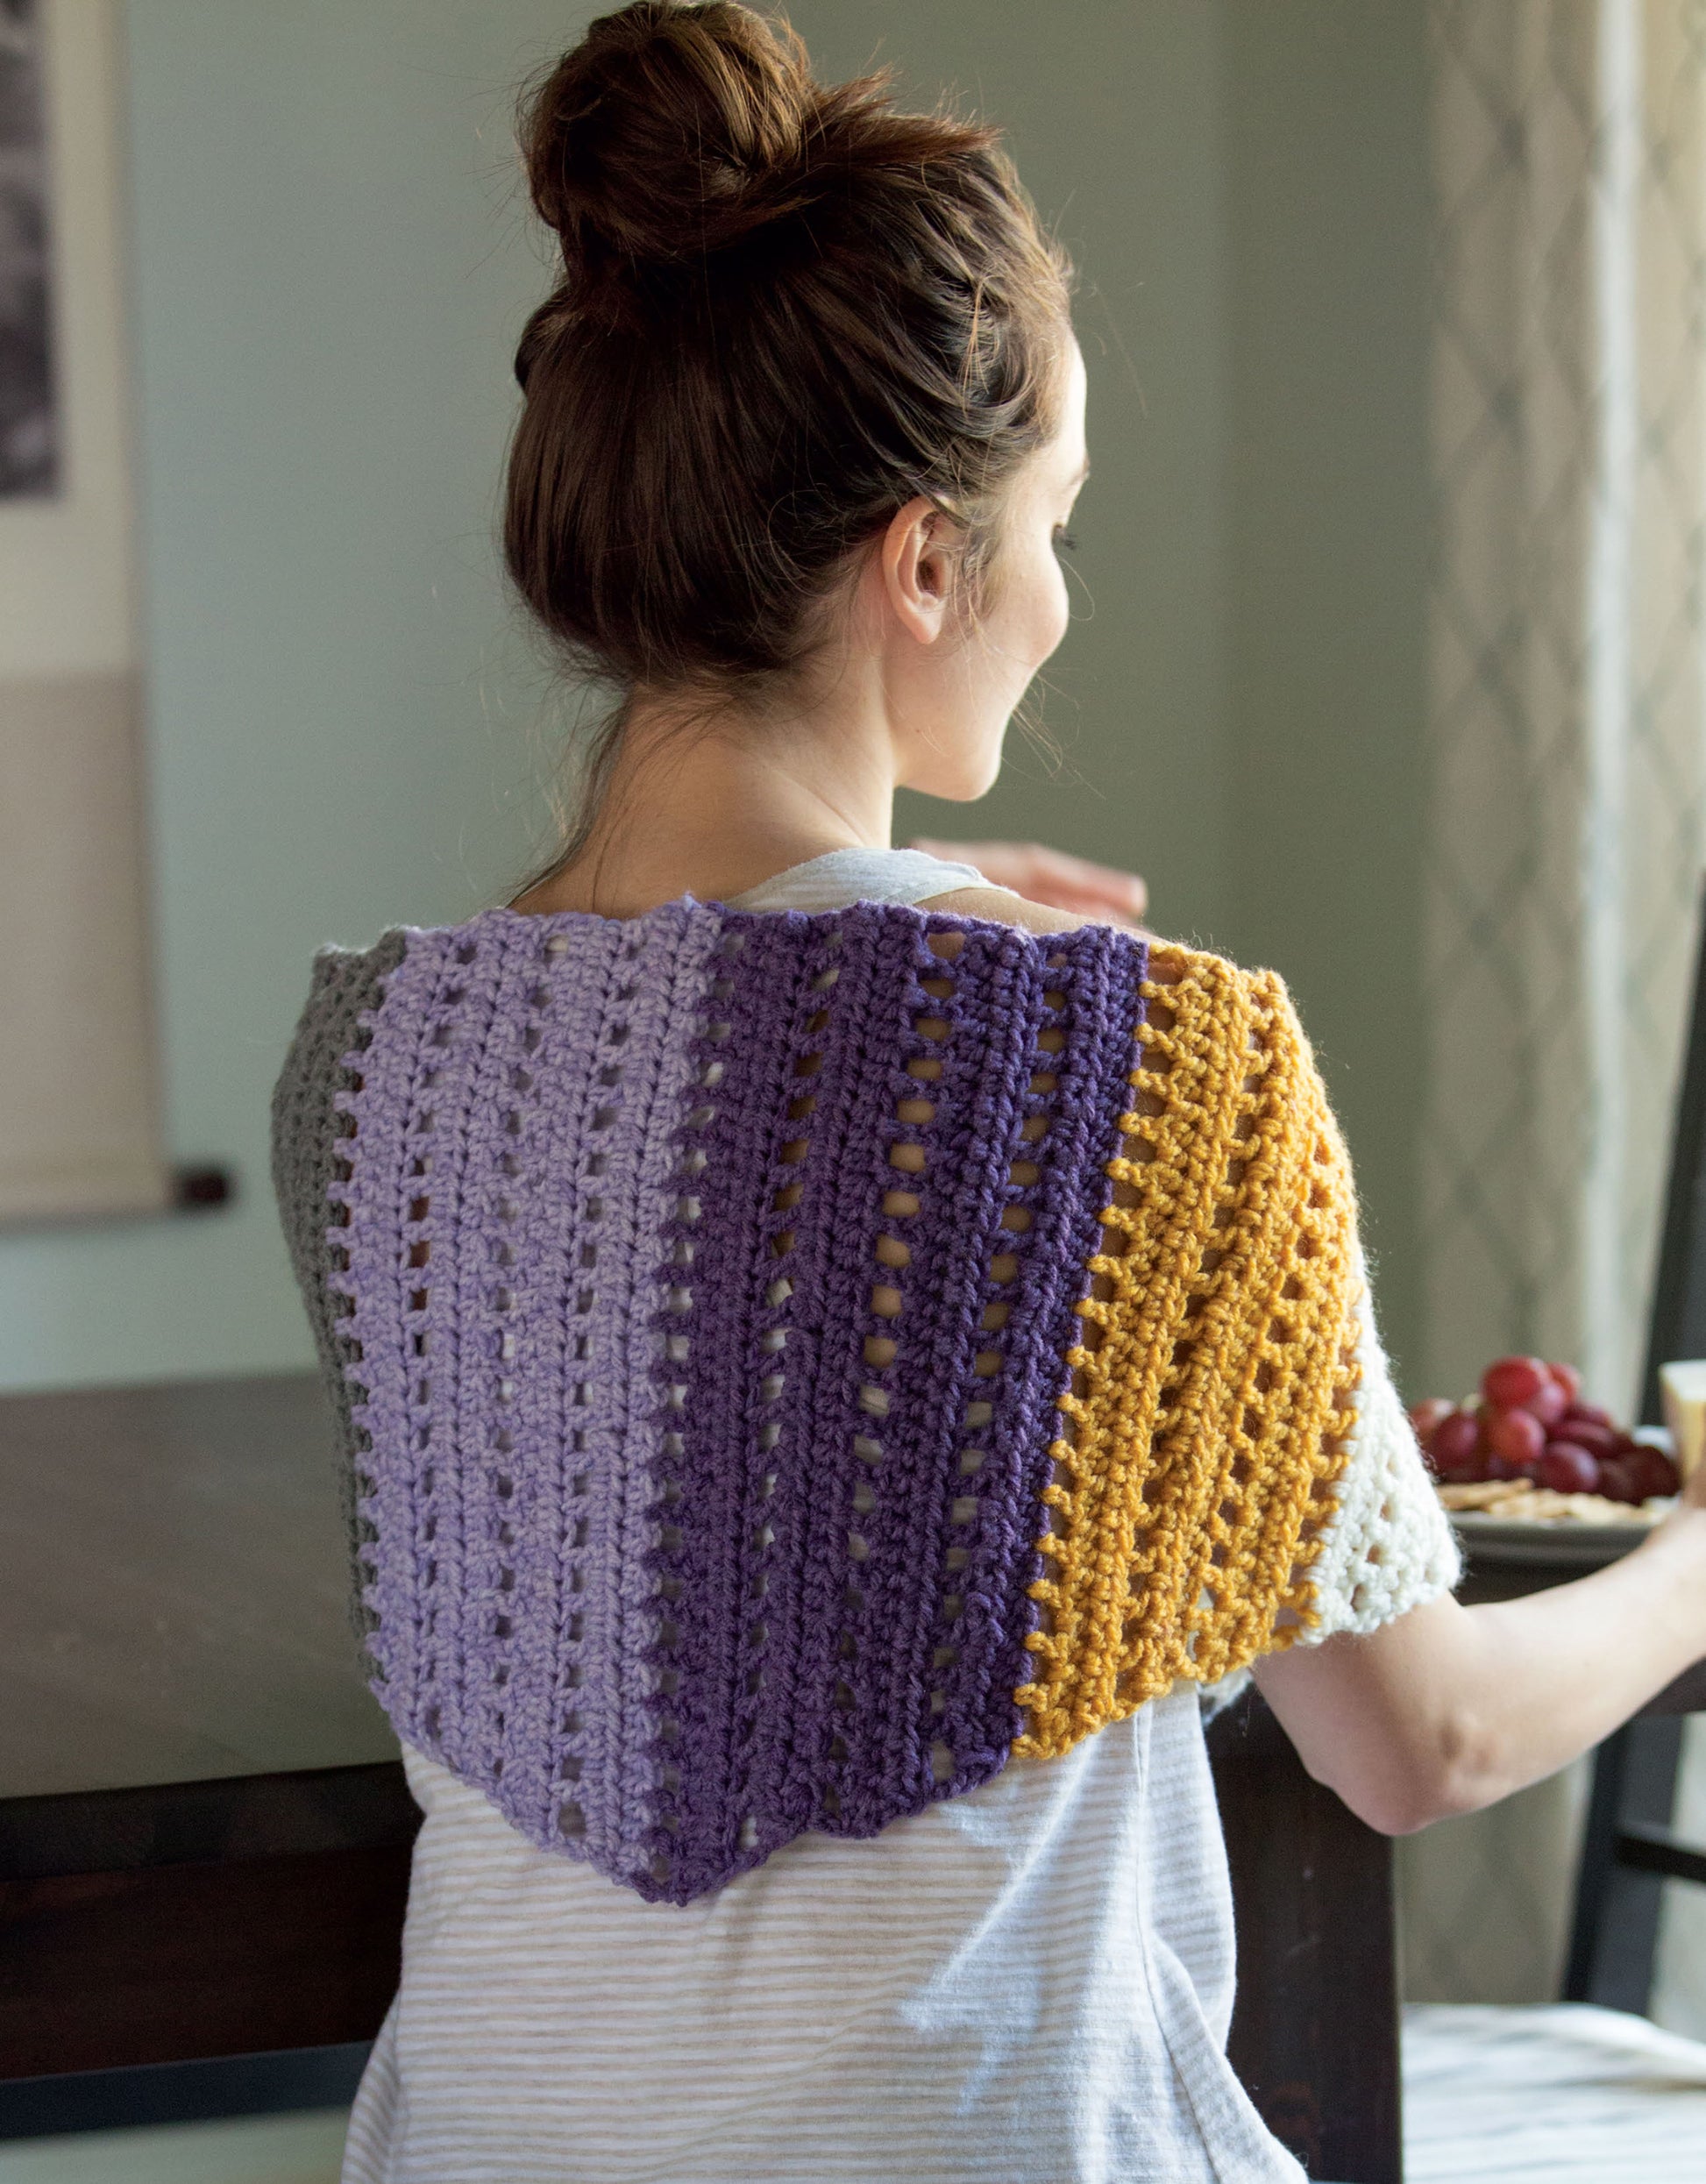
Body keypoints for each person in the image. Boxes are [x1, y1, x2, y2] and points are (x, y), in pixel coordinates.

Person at [269, 6, 1706, 2178]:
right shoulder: (1160, 1059)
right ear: (923, 561)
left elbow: (671, 1178)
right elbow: (1422, 1742)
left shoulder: (370, 1078)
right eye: (1050, 526)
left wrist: (877, 953)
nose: (1057, 599)